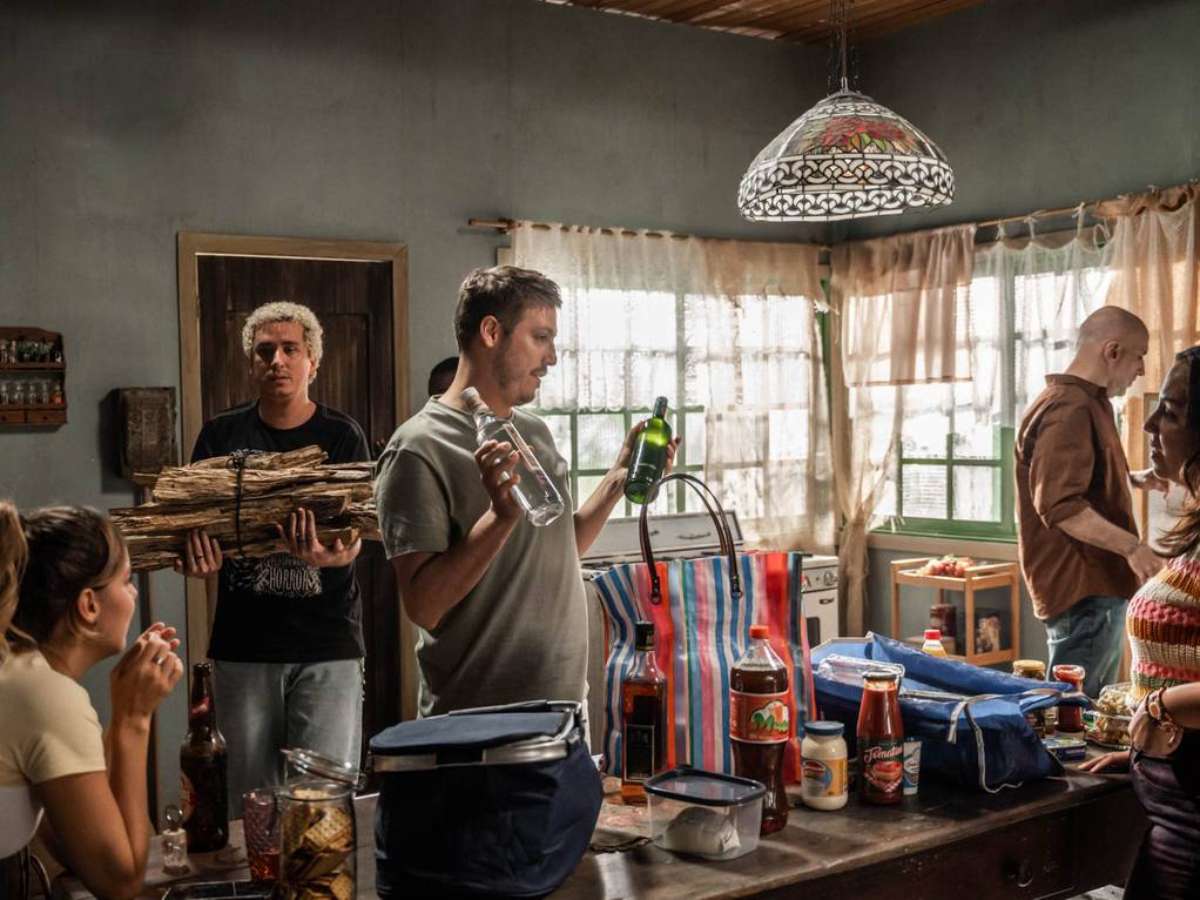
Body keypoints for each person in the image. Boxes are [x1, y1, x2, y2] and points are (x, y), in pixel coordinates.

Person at [375, 266, 676, 718]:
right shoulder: (418, 448)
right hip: (477, 723)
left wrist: (617, 480)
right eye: (540, 337)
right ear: (491, 332)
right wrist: (500, 517)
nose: (551, 357)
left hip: (566, 709)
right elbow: (424, 606)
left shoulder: (535, 433)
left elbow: (556, 548)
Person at [176, 301, 370, 809]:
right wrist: (198, 563)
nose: (277, 361)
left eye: (290, 350)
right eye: (265, 351)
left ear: (313, 362)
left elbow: (354, 541)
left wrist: (327, 557)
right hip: (244, 646)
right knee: (249, 803)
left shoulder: (342, 436)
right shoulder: (220, 436)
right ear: (251, 363)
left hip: (327, 644)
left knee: (323, 801)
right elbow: (196, 533)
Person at [0, 504, 182, 899]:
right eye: (126, 580)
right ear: (89, 605)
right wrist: (134, 719)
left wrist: (122, 711)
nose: (134, 593)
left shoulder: (21, 672)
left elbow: (79, 845)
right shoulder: (44, 695)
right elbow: (119, 881)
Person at [1080, 347, 1200, 898]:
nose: (1150, 424)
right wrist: (1141, 755)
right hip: (1174, 797)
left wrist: (1157, 709)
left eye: (1170, 411)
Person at [1015, 306, 1166, 697]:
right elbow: (1059, 503)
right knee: (1076, 710)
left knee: (1080, 705)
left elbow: (1076, 479)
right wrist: (1133, 548)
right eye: (1139, 356)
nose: (1141, 370)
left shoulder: (1086, 402)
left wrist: (1135, 478)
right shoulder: (1070, 407)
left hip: (1092, 585)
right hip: (1086, 585)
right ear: (1112, 351)